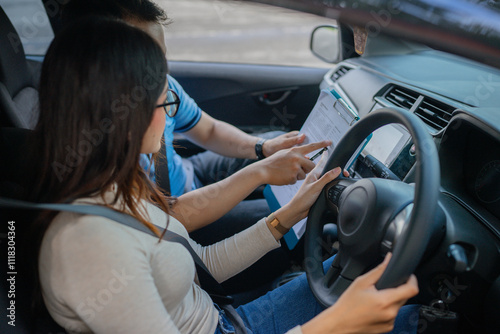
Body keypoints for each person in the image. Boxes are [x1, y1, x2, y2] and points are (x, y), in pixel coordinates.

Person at [31, 17, 420, 334]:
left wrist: (289, 215)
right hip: (225, 326)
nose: (169, 113)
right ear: (117, 117)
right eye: (161, 101)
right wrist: (334, 326)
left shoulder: (118, 188)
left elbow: (202, 264)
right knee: (406, 319)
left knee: (381, 292)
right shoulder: (87, 246)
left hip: (222, 317)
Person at [59, 0, 322, 292]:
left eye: (161, 57)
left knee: (278, 148)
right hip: (179, 215)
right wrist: (261, 176)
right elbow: (165, 223)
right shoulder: (100, 164)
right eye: (147, 60)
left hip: (186, 175)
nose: (165, 79)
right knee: (291, 216)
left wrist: (262, 148)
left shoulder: (160, 89)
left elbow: (207, 129)